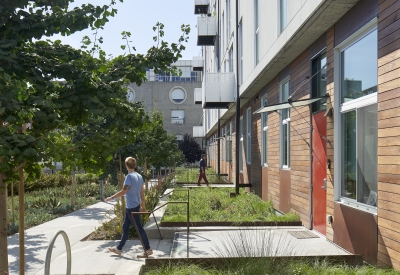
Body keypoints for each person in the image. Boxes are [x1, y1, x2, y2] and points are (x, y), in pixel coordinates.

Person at [105, 157, 152, 258]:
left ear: (126, 166)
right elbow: (142, 193)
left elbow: (124, 191)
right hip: (135, 206)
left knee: (139, 229)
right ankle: (119, 248)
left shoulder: (129, 177)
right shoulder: (139, 176)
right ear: (134, 165)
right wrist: (143, 205)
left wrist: (111, 197)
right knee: (125, 227)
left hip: (131, 208)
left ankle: (147, 249)